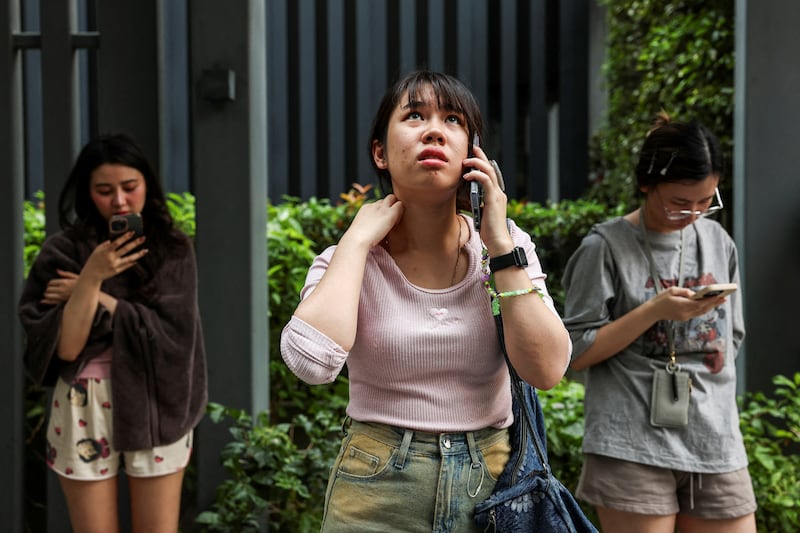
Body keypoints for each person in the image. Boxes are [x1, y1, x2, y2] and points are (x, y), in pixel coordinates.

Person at [280, 70, 571, 532]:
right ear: (380, 152)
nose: (434, 129)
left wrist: (498, 242)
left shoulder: (505, 249)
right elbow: (311, 364)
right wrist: (356, 242)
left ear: (474, 156)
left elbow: (548, 369)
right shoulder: (351, 260)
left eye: (453, 119)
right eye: (414, 115)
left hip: (492, 488)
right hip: (374, 486)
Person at [561, 112, 757, 533]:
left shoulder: (718, 241)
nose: (694, 214)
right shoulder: (605, 247)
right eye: (679, 203)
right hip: (630, 443)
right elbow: (575, 352)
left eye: (707, 201)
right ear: (646, 184)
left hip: (714, 438)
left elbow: (732, 336)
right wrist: (656, 310)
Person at [19, 133, 208, 533]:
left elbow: (175, 338)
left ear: (147, 186)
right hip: (83, 404)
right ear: (88, 193)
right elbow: (67, 349)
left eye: (129, 187)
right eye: (105, 191)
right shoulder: (63, 251)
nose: (119, 201)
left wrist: (101, 300)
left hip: (156, 402)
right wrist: (92, 275)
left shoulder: (172, 249)